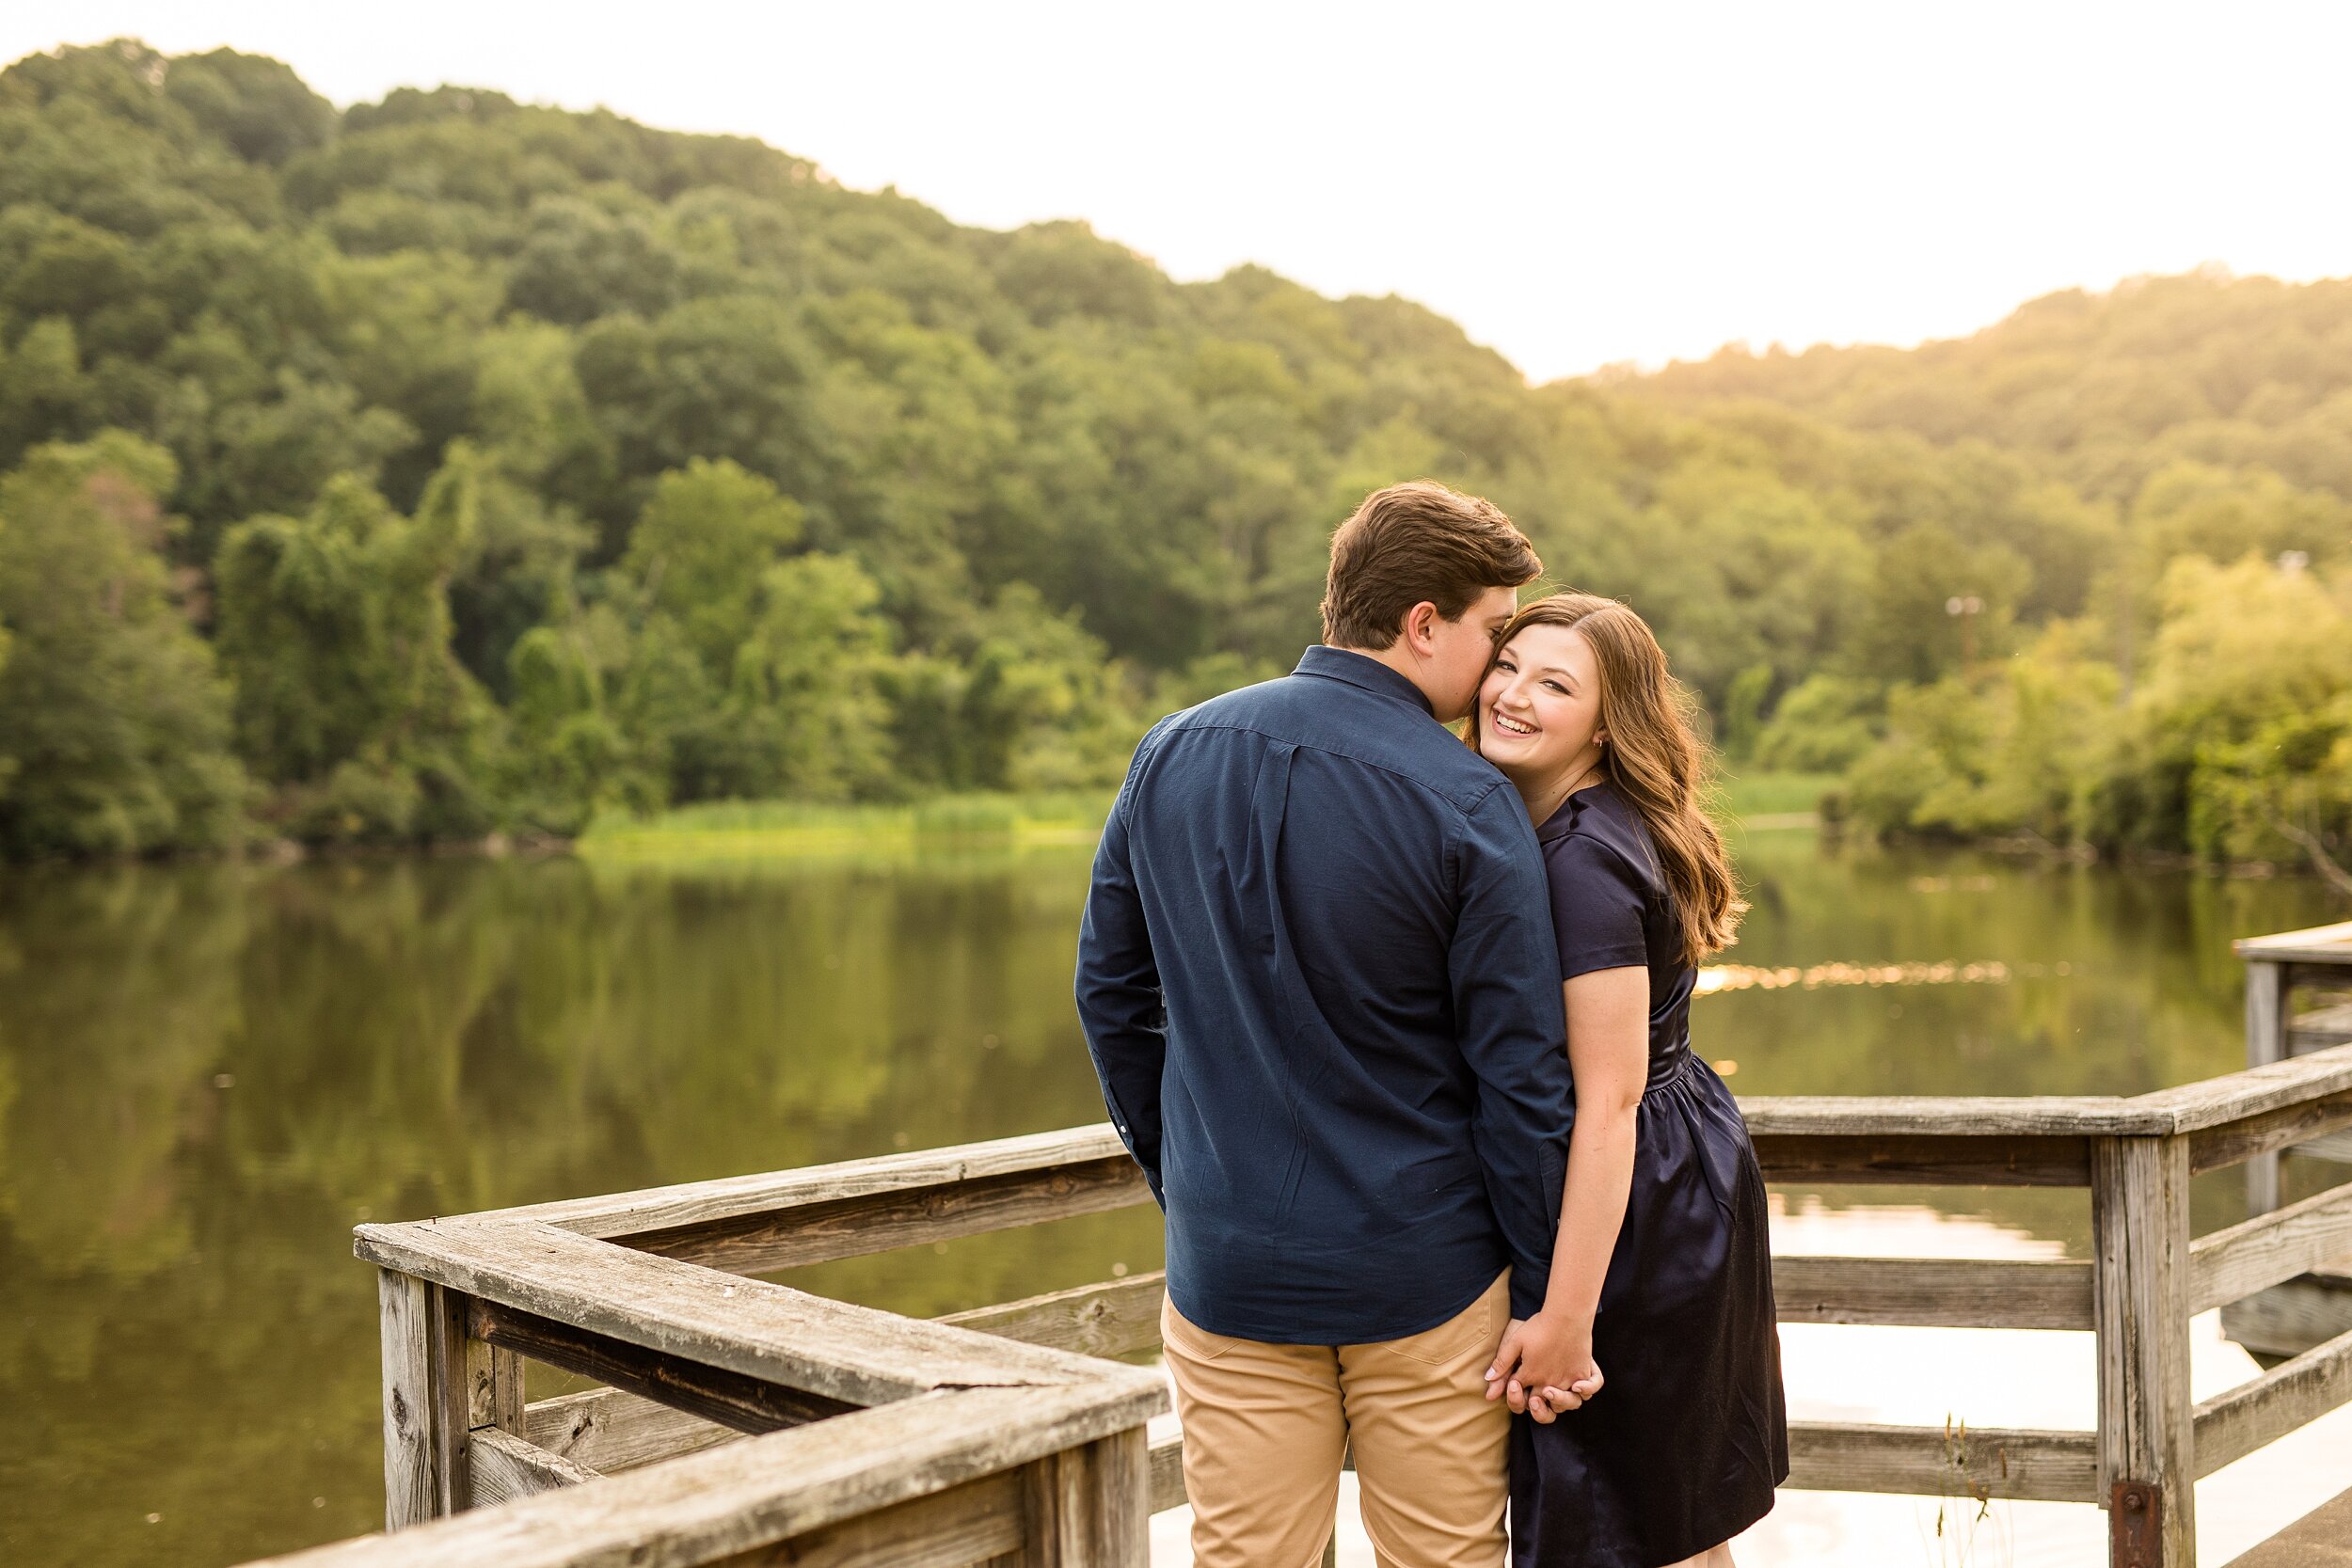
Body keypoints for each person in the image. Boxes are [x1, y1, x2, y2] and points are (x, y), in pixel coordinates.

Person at [1076, 481, 1573, 1568]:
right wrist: (1542, 1289)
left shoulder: (1168, 750)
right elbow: (1522, 1078)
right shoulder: (1468, 797)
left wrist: (1192, 1179)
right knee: (1442, 1560)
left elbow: (1110, 995)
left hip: (1230, 1269)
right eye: (1494, 633)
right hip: (1430, 1273)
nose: (1496, 668)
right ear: (1423, 623)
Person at [1472, 593, 1788, 1568]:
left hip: (1638, 1198)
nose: (1513, 695)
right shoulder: (1587, 822)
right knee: (1669, 1518)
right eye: (1508, 664)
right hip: (1678, 1158)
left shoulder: (1579, 861)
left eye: (1553, 683)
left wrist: (1566, 1321)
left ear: (1607, 724)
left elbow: (1603, 1104)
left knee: (1630, 1522)